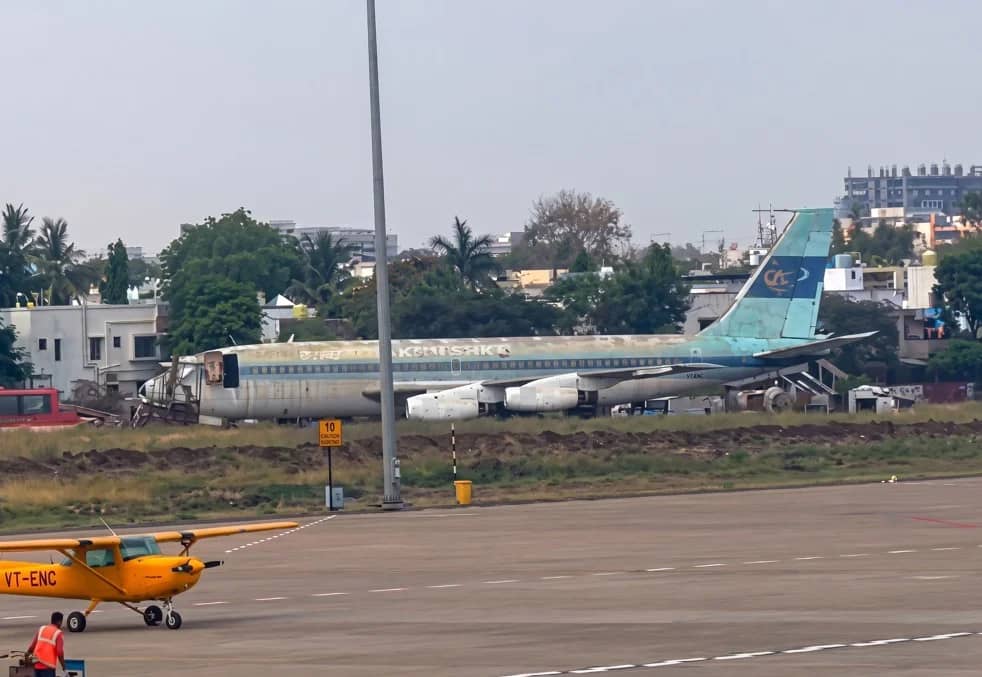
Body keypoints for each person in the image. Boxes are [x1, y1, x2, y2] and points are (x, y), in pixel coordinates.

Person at [25, 612, 66, 677]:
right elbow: (60, 652)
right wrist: (64, 666)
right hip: (48, 668)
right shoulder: (58, 633)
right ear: (59, 622)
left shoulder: (42, 629)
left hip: (37, 666)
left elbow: (32, 647)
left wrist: (26, 657)